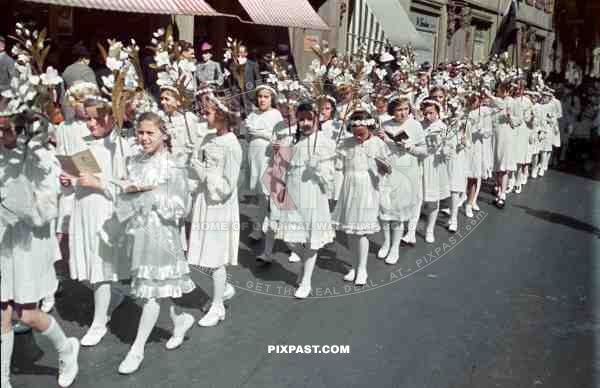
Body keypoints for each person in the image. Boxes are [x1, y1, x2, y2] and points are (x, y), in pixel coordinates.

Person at [1, 113, 79, 388]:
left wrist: (19, 204)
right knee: (2, 313)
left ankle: (66, 349)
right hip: (2, 242)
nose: (1, 136)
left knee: (25, 313)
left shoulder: (42, 158)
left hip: (28, 245)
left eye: (6, 130)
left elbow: (45, 210)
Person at [115, 112, 196, 374]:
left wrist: (156, 198)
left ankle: (136, 349)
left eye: (150, 132)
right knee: (158, 289)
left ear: (164, 134)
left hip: (162, 234)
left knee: (150, 294)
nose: (144, 137)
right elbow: (126, 197)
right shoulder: (134, 162)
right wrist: (128, 191)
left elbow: (182, 207)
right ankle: (180, 319)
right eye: (140, 132)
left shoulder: (173, 166)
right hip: (140, 232)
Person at [59, 97, 130, 347]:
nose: (90, 124)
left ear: (110, 118)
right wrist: (68, 180)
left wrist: (99, 184)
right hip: (83, 209)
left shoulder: (119, 146)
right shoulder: (84, 142)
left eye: (95, 118)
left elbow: (127, 187)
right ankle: (113, 296)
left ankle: (99, 322)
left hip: (104, 212)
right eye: (86, 118)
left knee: (99, 267)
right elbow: (79, 177)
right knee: (88, 266)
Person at [188, 95, 242, 323]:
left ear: (222, 116)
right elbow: (198, 162)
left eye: (208, 112)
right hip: (204, 200)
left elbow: (228, 185)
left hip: (219, 205)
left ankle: (218, 305)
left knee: (215, 254)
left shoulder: (232, 145)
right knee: (202, 252)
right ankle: (223, 288)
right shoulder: (209, 137)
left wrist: (206, 176)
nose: (204, 115)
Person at [274, 102, 336, 298]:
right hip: (292, 190)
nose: (305, 123)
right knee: (290, 238)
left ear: (317, 119)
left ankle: (306, 280)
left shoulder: (325, 142)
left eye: (309, 119)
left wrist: (318, 167)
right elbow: (277, 169)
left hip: (312, 192)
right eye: (301, 119)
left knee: (310, 237)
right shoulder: (291, 140)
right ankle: (303, 262)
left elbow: (330, 176)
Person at [333, 110, 390, 285]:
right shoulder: (345, 143)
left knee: (362, 231)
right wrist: (337, 192)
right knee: (351, 231)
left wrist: (382, 167)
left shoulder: (378, 143)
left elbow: (387, 169)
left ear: (369, 126)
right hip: (349, 187)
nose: (358, 132)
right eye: (355, 128)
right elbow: (339, 168)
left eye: (362, 129)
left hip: (368, 187)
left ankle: (362, 268)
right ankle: (354, 265)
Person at [379, 97, 427, 258]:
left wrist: (410, 147)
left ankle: (395, 247)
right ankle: (386, 242)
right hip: (387, 169)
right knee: (384, 210)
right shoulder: (385, 125)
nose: (403, 112)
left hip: (406, 170)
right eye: (399, 109)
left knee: (398, 212)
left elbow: (424, 151)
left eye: (406, 109)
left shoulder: (415, 125)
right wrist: (381, 140)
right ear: (392, 111)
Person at [239, 84, 285, 249]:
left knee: (268, 193)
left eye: (266, 97)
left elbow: (279, 136)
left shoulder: (275, 114)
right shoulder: (253, 114)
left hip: (267, 156)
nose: (262, 100)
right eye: (260, 97)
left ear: (271, 98)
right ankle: (263, 221)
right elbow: (247, 134)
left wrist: (261, 134)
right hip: (254, 156)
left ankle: (262, 227)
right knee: (260, 193)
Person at [420, 99, 451, 243]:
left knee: (433, 200)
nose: (428, 116)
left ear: (438, 113)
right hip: (420, 164)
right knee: (418, 199)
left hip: (434, 165)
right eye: (425, 113)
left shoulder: (443, 127)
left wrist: (444, 149)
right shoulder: (419, 125)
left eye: (431, 113)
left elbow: (448, 148)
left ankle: (429, 229)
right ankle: (411, 230)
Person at [227, 45, 261, 118]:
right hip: (237, 94)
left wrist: (259, 91)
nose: (240, 54)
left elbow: (258, 79)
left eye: (242, 52)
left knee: (251, 114)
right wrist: (232, 90)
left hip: (249, 92)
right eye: (239, 52)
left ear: (246, 54)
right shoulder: (232, 65)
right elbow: (230, 80)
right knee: (239, 116)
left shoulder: (253, 64)